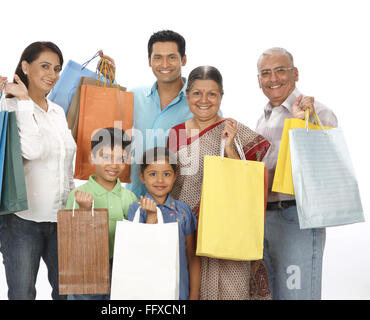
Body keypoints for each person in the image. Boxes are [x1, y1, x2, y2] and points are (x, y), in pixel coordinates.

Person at [169, 66, 272, 300]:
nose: (204, 100)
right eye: (196, 93)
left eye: (212, 94)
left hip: (229, 230)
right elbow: (171, 182)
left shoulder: (234, 130)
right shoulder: (175, 133)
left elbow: (248, 184)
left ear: (221, 96)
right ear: (187, 96)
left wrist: (229, 147)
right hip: (189, 231)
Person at [255, 47, 338, 300]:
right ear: (259, 80)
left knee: (297, 296)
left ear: (296, 73)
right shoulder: (264, 117)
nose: (273, 78)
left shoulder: (318, 113)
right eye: (265, 73)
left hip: (296, 217)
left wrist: (302, 124)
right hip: (263, 219)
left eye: (281, 70)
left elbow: (327, 170)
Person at [99, 30, 222, 199]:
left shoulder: (201, 105)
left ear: (183, 59)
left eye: (171, 57)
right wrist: (109, 83)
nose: (164, 64)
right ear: (149, 60)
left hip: (180, 209)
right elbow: (110, 127)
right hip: (134, 201)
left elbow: (215, 160)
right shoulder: (134, 97)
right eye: (158, 57)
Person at [0, 41, 76, 300]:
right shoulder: (9, 106)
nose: (51, 74)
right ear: (25, 66)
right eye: (44, 66)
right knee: (22, 295)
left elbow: (65, 164)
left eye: (56, 68)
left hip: (61, 220)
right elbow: (31, 151)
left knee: (68, 295)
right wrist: (22, 100)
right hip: (22, 221)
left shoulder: (57, 112)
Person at [66, 127, 137, 300]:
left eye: (121, 158)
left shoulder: (129, 197)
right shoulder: (78, 195)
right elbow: (69, 241)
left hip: (120, 269)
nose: (114, 164)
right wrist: (84, 211)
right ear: (92, 157)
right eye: (106, 157)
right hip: (86, 269)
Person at [127, 147, 198, 300]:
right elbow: (140, 253)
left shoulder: (183, 211)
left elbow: (192, 256)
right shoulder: (137, 210)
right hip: (146, 290)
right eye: (153, 174)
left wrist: (193, 296)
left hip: (179, 289)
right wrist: (151, 217)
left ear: (175, 177)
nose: (160, 180)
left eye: (166, 174)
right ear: (142, 177)